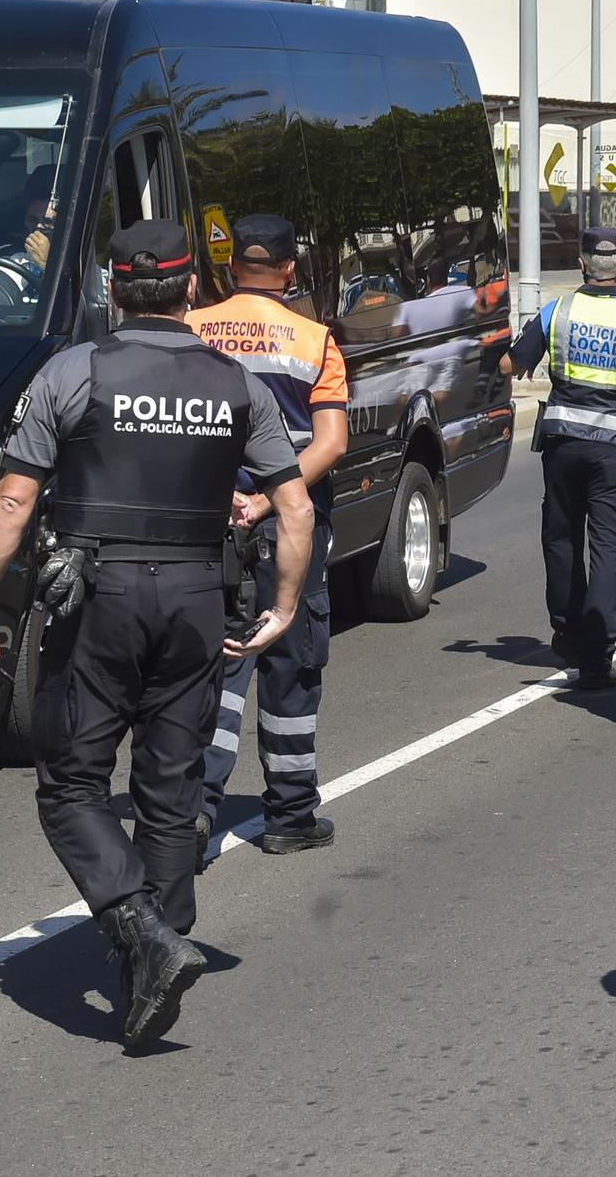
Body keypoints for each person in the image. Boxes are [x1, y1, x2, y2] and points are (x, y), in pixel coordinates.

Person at [0, 219, 314, 1048]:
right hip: (196, 600)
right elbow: (295, 507)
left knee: (71, 783)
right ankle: (153, 968)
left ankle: (142, 933)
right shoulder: (236, 385)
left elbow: (11, 500)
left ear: (113, 288)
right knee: (170, 789)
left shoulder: (72, 371)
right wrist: (283, 609)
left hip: (97, 597)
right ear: (192, 289)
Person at [187, 215, 347, 864]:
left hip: (209, 521)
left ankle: (194, 812)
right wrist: (268, 497)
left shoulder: (192, 329)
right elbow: (331, 441)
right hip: (287, 519)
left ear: (230, 271)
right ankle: (290, 814)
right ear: (288, 272)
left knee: (216, 661)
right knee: (291, 657)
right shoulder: (315, 341)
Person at [498, 225, 616, 688]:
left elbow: (512, 365)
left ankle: (567, 634)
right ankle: (597, 657)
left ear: (582, 264)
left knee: (561, 540)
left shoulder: (556, 310)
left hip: (561, 442)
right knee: (608, 549)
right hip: (613, 447)